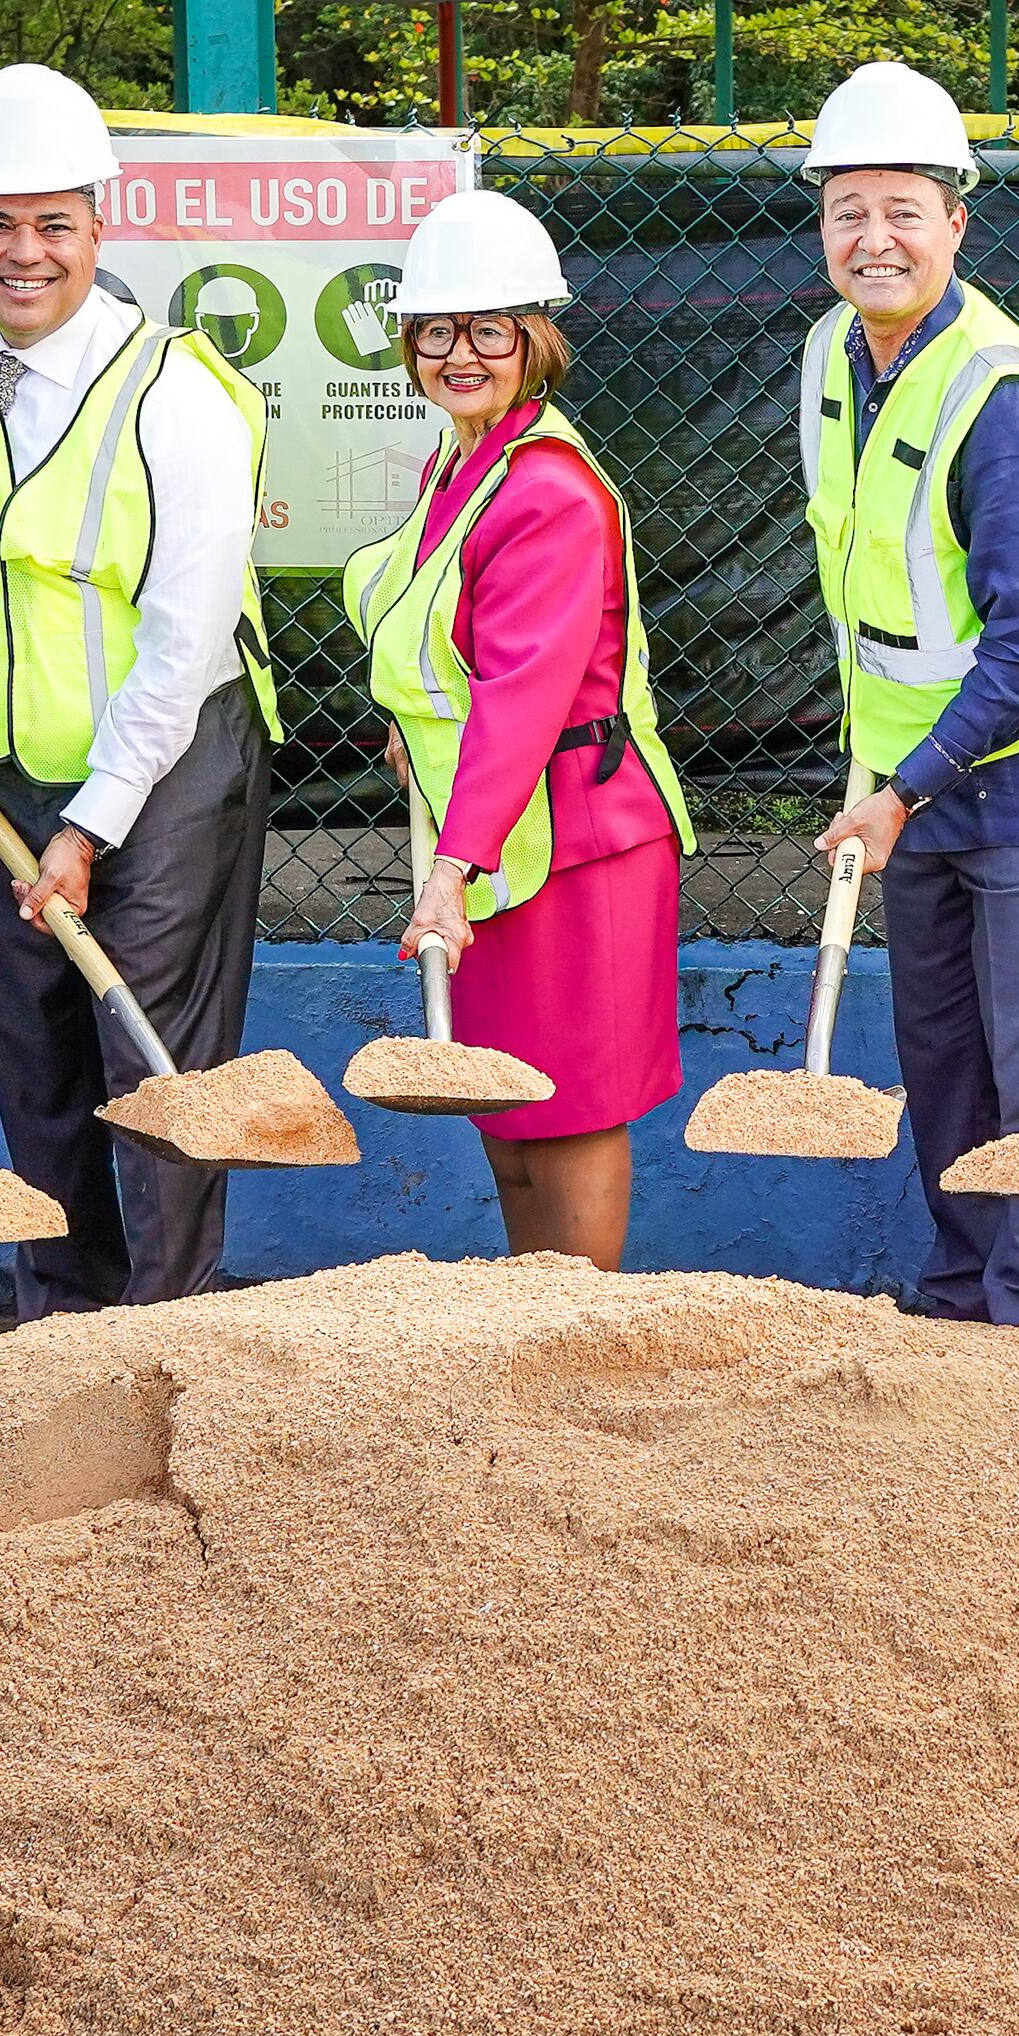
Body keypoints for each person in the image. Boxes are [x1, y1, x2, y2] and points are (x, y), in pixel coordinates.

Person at [0, 62, 273, 1313]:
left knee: (153, 1068)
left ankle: (163, 1331)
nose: (22, 253)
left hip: (165, 767)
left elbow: (184, 639)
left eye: (52, 225)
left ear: (98, 225)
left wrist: (90, 826)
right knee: (32, 1057)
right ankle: (61, 1327)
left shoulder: (176, 394)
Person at [793, 61, 1019, 1331]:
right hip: (909, 776)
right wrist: (887, 776)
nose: (873, 239)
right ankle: (955, 1307)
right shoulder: (832, 356)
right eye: (847, 211)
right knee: (940, 1057)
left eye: (903, 210)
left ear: (956, 222)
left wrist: (902, 792)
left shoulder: (1007, 399)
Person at [340, 191, 695, 1264]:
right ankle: (526, 1323)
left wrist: (450, 869)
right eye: (436, 331)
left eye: (488, 330)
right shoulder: (462, 462)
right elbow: (448, 642)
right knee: (503, 1110)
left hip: (573, 842)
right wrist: (413, 723)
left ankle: (574, 1336)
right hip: (497, 829)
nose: (460, 354)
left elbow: (524, 693)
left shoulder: (544, 488)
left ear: (534, 341)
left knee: (567, 1107)